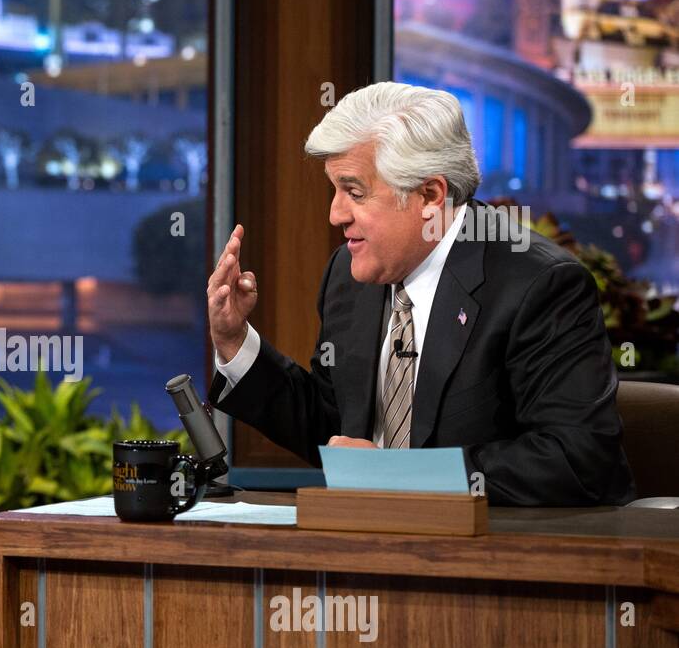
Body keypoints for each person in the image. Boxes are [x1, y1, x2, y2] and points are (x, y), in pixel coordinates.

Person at [205, 81, 634, 506]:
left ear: (430, 195)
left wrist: (401, 476)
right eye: (334, 190)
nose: (335, 213)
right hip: (371, 547)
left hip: (500, 556)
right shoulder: (349, 274)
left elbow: (577, 458)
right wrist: (235, 342)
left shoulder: (539, 285)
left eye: (354, 192)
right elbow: (335, 424)